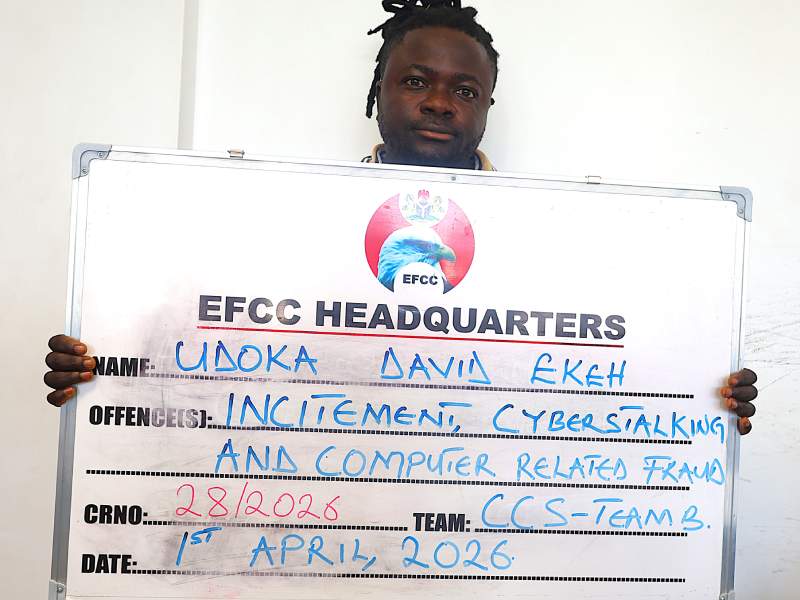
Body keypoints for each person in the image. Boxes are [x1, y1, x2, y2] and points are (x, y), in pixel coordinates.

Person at [43, 0, 758, 433]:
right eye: (416, 81)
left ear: (486, 106)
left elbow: (615, 364)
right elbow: (217, 340)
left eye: (465, 90)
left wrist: (704, 397)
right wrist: (111, 367)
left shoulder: (566, 244)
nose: (440, 103)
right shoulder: (280, 226)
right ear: (378, 91)